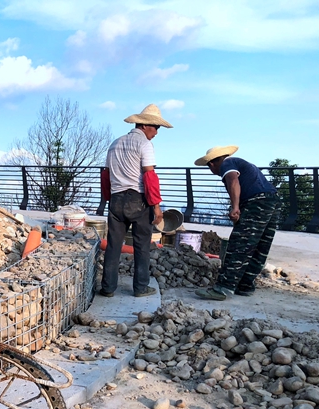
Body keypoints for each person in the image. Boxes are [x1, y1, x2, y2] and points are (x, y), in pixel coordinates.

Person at [99, 104, 172, 298]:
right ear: (145, 125)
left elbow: (105, 175)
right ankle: (140, 287)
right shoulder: (144, 145)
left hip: (116, 199)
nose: (157, 132)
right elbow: (149, 176)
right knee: (142, 245)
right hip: (137, 199)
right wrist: (156, 207)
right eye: (156, 127)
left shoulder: (115, 143)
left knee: (114, 245)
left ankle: (108, 288)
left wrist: (108, 199)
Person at [194, 146, 284, 300]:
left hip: (256, 202)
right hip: (273, 201)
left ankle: (223, 288)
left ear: (211, 164)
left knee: (240, 244)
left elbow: (233, 181)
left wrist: (235, 208)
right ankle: (245, 285)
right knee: (260, 246)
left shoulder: (226, 164)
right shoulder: (244, 163)